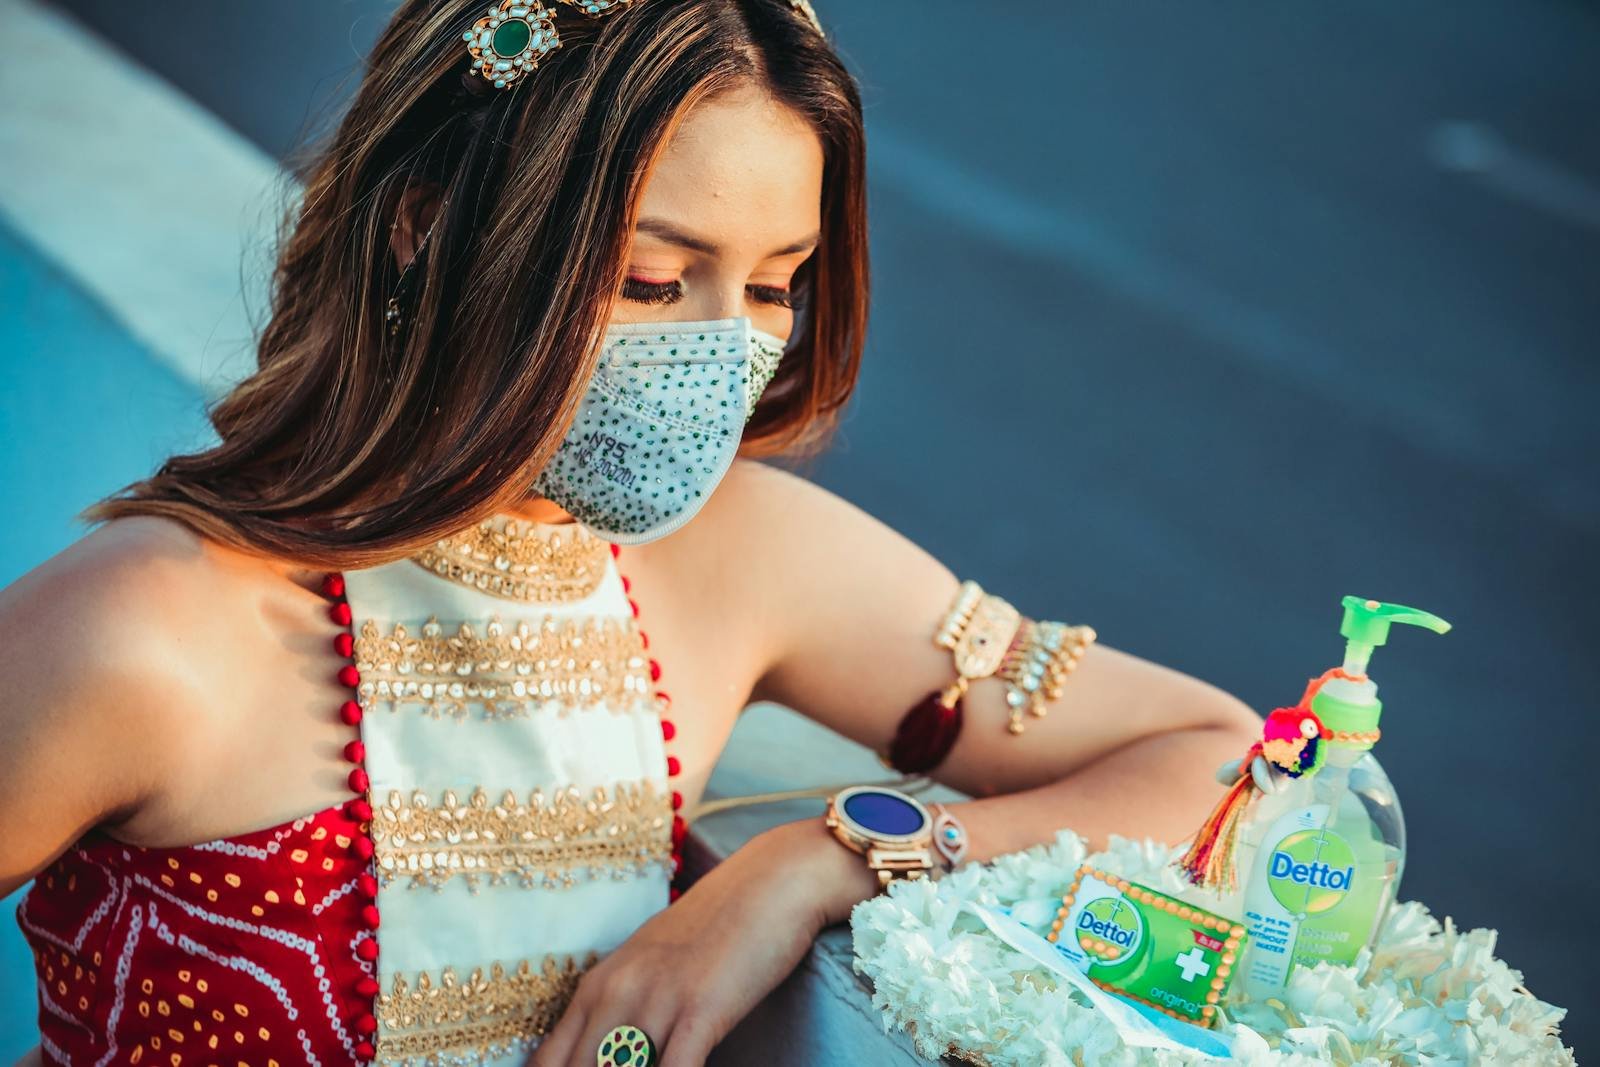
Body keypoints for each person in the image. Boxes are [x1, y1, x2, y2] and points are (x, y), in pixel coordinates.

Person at [0, 1, 1261, 1064]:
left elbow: (1222, 763)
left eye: (775, 283)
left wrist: (819, 864)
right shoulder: (144, 631)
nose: (729, 345)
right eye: (656, 278)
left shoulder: (741, 554)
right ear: (425, 224)